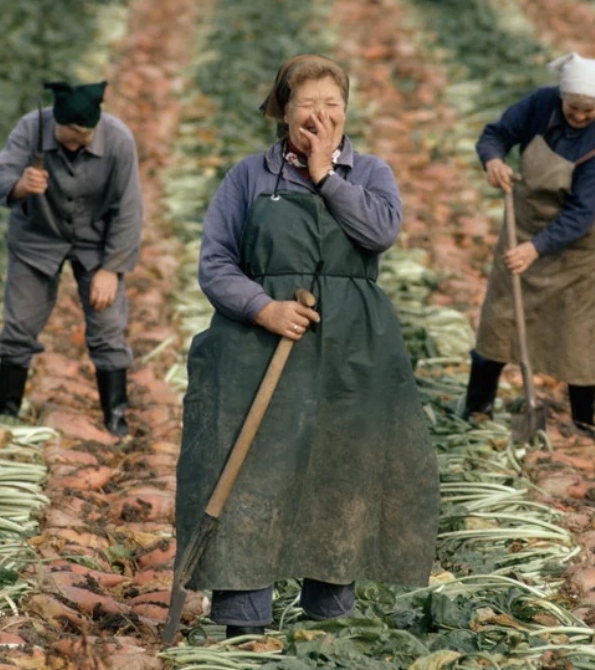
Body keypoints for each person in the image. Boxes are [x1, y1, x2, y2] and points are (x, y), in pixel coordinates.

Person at [176, 55, 439, 639]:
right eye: (308, 104)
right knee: (253, 473)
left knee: (341, 471)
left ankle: (328, 621)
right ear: (282, 111)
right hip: (257, 349)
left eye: (333, 105)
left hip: (350, 353)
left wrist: (326, 176)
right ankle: (246, 621)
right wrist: (262, 307)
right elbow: (216, 263)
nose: (322, 116)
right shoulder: (248, 176)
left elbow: (379, 232)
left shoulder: (370, 172)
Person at [463, 52, 595, 434]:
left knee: (579, 326)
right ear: (562, 96)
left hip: (585, 241)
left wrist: (536, 248)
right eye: (575, 106)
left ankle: (584, 424)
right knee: (502, 313)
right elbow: (496, 135)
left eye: (590, 110)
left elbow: (581, 213)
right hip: (528, 217)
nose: (581, 115)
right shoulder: (540, 104)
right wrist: (493, 161)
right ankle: (476, 409)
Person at [0, 80, 143, 436]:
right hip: (37, 238)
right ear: (55, 122)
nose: (76, 141)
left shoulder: (118, 140)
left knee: (107, 328)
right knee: (19, 325)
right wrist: (20, 186)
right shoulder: (31, 129)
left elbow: (129, 210)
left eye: (85, 135)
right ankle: (5, 413)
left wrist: (112, 269)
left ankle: (116, 418)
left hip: (96, 242)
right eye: (69, 134)